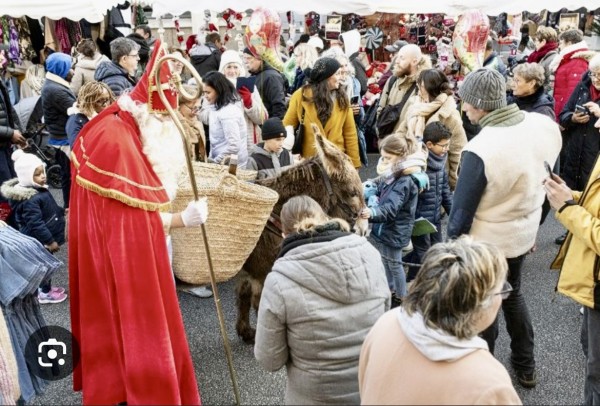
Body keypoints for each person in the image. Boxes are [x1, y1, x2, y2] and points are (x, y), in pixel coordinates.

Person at [69, 40, 205, 404]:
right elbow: (131, 229)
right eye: (165, 118)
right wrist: (180, 219)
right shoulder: (118, 143)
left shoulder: (126, 123)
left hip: (106, 258)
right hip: (119, 267)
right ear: (152, 112)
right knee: (135, 331)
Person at [448, 68, 562, 389]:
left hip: (486, 245)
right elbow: (552, 181)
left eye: (467, 103)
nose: (463, 109)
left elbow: (459, 217)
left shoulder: (481, 149)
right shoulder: (544, 126)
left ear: (481, 105)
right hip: (523, 234)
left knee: (486, 305)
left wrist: (451, 256)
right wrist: (534, 224)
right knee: (514, 295)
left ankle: (485, 375)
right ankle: (526, 365)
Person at [254, 195, 390, 405]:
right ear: (326, 219)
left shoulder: (279, 282)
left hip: (314, 397)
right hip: (369, 389)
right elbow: (385, 315)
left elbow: (270, 360)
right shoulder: (370, 254)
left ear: (284, 234)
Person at [359, 236, 522, 405]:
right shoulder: (489, 382)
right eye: (501, 289)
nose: (503, 297)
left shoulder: (386, 322)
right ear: (479, 302)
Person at [545, 117, 600, 405]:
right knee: (591, 359)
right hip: (592, 285)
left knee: (597, 373)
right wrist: (570, 195)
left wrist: (567, 208)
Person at [360, 134, 420, 306]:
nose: (384, 161)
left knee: (395, 263)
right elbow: (380, 186)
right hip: (390, 228)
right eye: (383, 157)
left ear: (401, 156)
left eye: (388, 158)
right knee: (387, 260)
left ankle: (402, 296)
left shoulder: (404, 181)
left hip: (396, 229)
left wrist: (371, 213)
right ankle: (390, 288)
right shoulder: (395, 173)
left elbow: (391, 208)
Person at [1, 150, 67, 304]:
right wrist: (50, 241)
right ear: (26, 177)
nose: (43, 176)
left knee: (47, 263)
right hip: (40, 240)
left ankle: (46, 288)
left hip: (44, 238)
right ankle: (44, 293)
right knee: (43, 265)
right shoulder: (31, 200)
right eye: (37, 174)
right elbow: (35, 224)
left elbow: (49, 209)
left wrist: (61, 211)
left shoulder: (39, 190)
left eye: (43, 171)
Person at [283, 57, 361, 168]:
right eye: (338, 74)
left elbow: (350, 134)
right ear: (326, 77)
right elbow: (287, 127)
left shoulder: (342, 98)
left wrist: (354, 165)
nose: (341, 78)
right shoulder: (301, 95)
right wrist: (289, 156)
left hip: (337, 162)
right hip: (309, 163)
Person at [555, 55, 600, 245]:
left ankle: (590, 235)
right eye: (593, 74)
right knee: (573, 192)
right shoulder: (583, 86)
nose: (596, 79)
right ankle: (570, 233)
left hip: (595, 156)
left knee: (592, 198)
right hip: (575, 152)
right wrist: (573, 118)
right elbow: (563, 114)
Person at [397, 68, 467, 189]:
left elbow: (457, 151)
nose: (419, 90)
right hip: (410, 170)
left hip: (436, 177)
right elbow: (400, 134)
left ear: (432, 89)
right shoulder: (415, 107)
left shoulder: (450, 115)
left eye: (422, 87)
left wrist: (453, 183)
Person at [405, 121, 453, 282]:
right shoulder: (418, 165)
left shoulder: (441, 162)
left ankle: (410, 279)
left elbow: (445, 191)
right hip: (419, 221)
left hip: (435, 219)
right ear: (429, 145)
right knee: (424, 255)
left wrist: (453, 212)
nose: (447, 149)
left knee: (437, 250)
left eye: (448, 145)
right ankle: (413, 284)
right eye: (444, 145)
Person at [40, 52, 75, 209]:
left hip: (61, 136)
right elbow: (76, 109)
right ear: (61, 70)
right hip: (63, 139)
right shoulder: (56, 90)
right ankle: (69, 208)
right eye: (70, 68)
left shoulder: (54, 85)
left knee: (67, 175)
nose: (73, 71)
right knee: (68, 176)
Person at [377, 44, 432, 136]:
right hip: (388, 142)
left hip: (410, 143)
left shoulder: (424, 84)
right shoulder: (392, 80)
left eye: (402, 58)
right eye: (398, 57)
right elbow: (381, 107)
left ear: (415, 61)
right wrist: (380, 132)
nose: (397, 61)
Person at [218, 50, 268, 151]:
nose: (232, 71)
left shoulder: (249, 87)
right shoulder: (216, 87)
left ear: (240, 69)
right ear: (223, 69)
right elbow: (205, 115)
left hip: (249, 143)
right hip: (225, 141)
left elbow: (263, 118)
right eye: (228, 67)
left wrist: (249, 103)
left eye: (235, 67)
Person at [199, 71, 248, 167]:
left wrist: (215, 162)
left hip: (232, 167)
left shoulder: (228, 113)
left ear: (219, 90)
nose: (205, 96)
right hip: (222, 163)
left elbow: (234, 145)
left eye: (208, 92)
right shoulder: (216, 107)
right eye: (204, 92)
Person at [0, 47, 25, 224]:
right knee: (3, 192)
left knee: (9, 187)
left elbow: (9, 111)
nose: (3, 57)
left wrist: (16, 130)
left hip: (4, 146)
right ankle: (6, 231)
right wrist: (10, 133)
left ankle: (11, 228)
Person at [549, 29, 593, 119]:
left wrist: (566, 116)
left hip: (565, 111)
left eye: (561, 43)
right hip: (561, 108)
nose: (559, 46)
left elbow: (573, 92)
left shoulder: (578, 62)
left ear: (569, 43)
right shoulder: (569, 60)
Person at [66, 81, 115, 148]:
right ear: (88, 102)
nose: (105, 104)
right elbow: (76, 149)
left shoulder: (107, 115)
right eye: (99, 101)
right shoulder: (76, 121)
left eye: (107, 99)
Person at [243, 47, 287, 119]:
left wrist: (274, 127)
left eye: (249, 58)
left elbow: (279, 106)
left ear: (259, 58)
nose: (246, 61)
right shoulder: (254, 75)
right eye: (244, 58)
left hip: (267, 124)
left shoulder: (272, 77)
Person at [177, 84, 206, 162]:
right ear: (179, 105)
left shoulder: (198, 125)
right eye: (193, 108)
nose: (196, 113)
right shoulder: (173, 129)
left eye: (198, 108)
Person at [528, 26, 559, 93]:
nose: (535, 43)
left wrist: (533, 93)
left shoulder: (552, 58)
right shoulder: (540, 55)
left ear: (543, 42)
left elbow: (549, 85)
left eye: (536, 40)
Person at [339, 30, 368, 96]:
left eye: (342, 44)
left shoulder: (354, 61)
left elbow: (363, 87)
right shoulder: (350, 59)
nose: (340, 47)